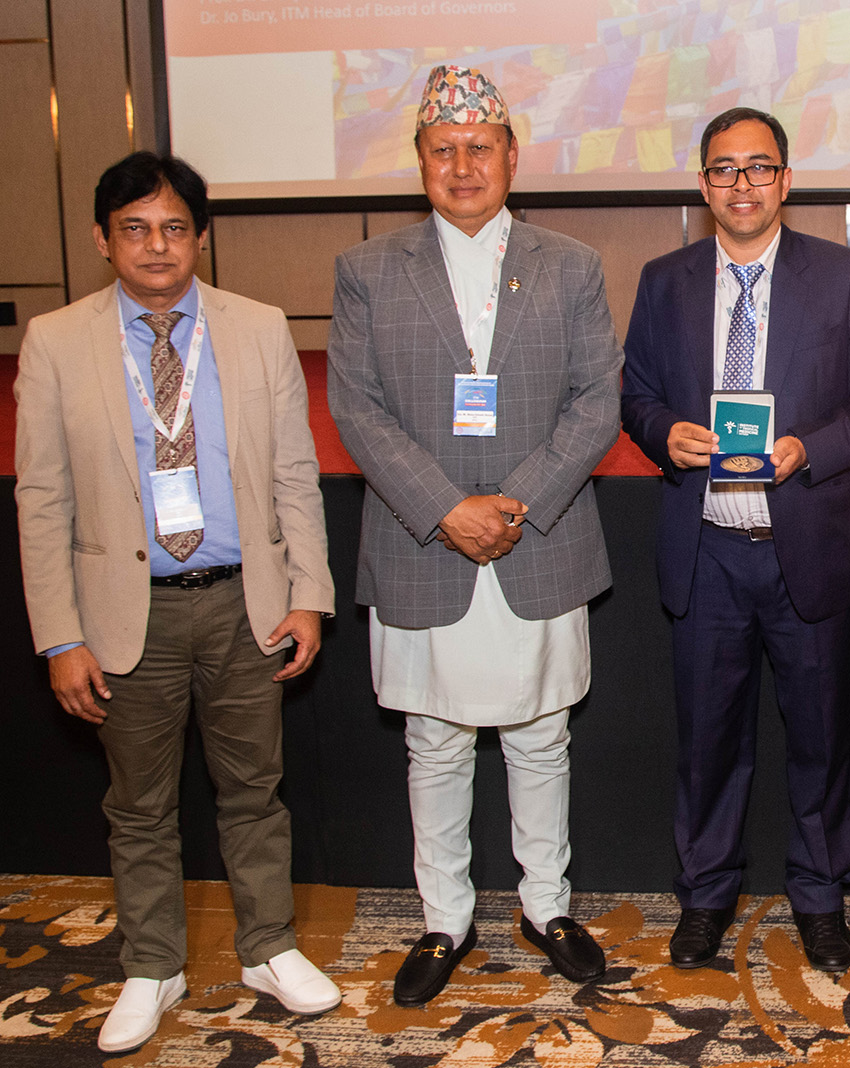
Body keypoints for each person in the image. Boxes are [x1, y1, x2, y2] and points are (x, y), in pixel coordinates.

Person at [14, 152, 340, 1052]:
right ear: (102, 239)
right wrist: (59, 637)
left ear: (201, 237)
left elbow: (294, 473)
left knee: (255, 793)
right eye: (135, 228)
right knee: (140, 807)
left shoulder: (258, 327)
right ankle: (152, 966)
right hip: (127, 616)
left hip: (245, 606)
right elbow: (41, 498)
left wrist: (309, 595)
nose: (156, 246)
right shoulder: (55, 340)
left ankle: (267, 948)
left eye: (173, 228)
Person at [327, 65, 622, 998]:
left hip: (538, 539)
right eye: (443, 150)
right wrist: (447, 507)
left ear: (512, 156)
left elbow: (597, 401)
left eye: (480, 148)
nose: (463, 166)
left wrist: (517, 500)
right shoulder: (368, 270)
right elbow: (357, 408)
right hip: (424, 540)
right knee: (435, 742)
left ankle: (546, 905)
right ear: (420, 161)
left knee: (541, 737)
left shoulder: (570, 263)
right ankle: (444, 919)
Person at [619, 107, 850, 973]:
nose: (741, 184)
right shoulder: (665, 281)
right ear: (703, 184)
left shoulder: (844, 276)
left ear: (786, 179)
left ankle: (820, 896)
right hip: (707, 551)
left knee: (819, 739)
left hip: (806, 550)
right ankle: (706, 895)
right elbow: (635, 394)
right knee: (707, 742)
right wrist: (662, 431)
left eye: (758, 167)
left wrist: (810, 449)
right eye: (724, 169)